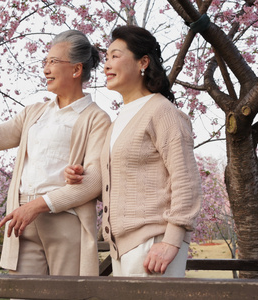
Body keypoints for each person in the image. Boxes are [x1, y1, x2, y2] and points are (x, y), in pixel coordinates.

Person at [0, 30, 110, 276]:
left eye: (53, 62)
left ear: (76, 70)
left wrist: (39, 205)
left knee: (65, 296)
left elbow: (93, 182)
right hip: (22, 220)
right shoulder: (34, 112)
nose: (46, 69)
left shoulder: (96, 118)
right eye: (45, 62)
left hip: (65, 220)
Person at [65, 25, 202, 277]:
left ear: (143, 62)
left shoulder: (162, 111)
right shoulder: (119, 121)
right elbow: (123, 184)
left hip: (154, 245)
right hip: (123, 247)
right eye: (106, 58)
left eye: (115, 56)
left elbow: (187, 181)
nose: (106, 65)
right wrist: (84, 178)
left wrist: (171, 241)